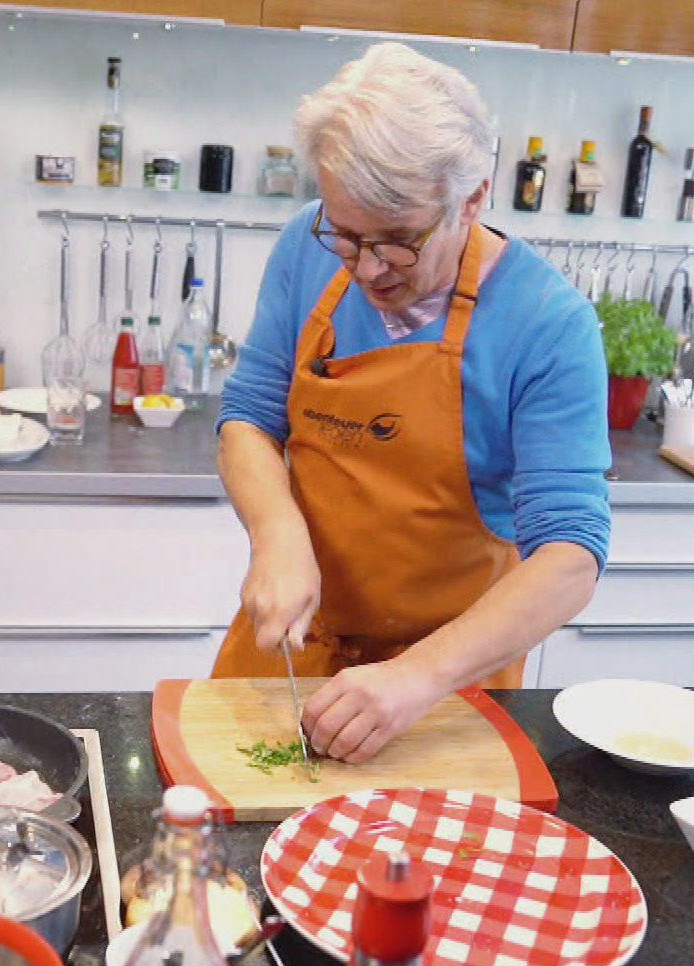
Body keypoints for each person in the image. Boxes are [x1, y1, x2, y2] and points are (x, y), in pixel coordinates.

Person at [212, 43, 611, 763]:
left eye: (397, 241)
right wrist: (276, 531)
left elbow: (570, 557)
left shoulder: (548, 324)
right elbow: (248, 419)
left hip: (440, 692)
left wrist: (415, 678)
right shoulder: (304, 248)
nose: (365, 267)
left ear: (473, 197)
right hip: (292, 662)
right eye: (346, 234)